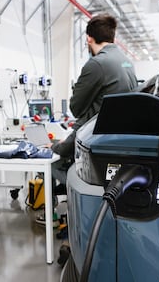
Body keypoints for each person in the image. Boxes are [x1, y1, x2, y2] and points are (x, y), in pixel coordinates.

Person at [36, 14, 138, 227]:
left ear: (89, 39)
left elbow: (76, 108)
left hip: (97, 145)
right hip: (119, 143)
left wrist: (57, 146)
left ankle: (57, 217)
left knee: (50, 163)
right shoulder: (126, 62)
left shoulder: (97, 64)